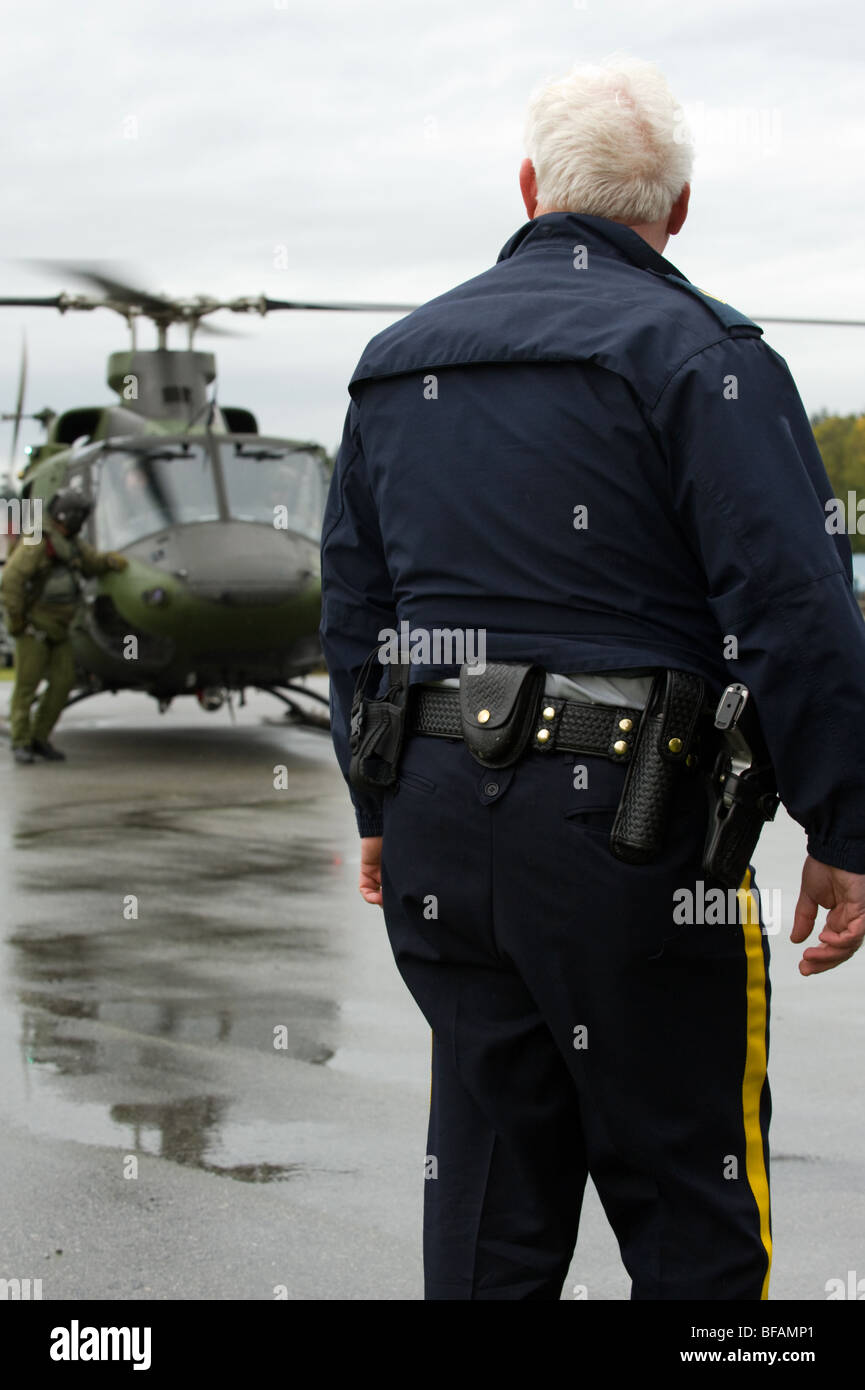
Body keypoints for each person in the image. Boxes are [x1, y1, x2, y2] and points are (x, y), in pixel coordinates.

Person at [320, 57, 865, 1300]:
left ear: (526, 188)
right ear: (676, 211)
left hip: (444, 835)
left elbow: (355, 611)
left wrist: (375, 808)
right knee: (693, 1209)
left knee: (484, 1204)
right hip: (635, 839)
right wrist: (845, 821)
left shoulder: (396, 365)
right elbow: (793, 611)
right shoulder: (704, 356)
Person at [1, 487, 128, 763]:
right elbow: (11, 580)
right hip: (35, 627)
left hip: (62, 628)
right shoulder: (38, 539)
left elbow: (91, 561)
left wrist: (109, 561)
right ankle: (21, 742)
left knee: (63, 683)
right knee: (27, 686)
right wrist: (17, 620)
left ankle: (39, 737)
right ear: (69, 515)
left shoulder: (71, 542)